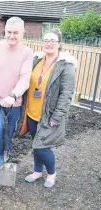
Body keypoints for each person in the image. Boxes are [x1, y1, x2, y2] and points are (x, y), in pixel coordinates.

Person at [18, 29, 76, 188]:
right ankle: (37, 171)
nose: (49, 43)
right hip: (31, 113)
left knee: (42, 147)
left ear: (59, 44)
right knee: (36, 144)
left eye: (53, 40)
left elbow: (67, 93)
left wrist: (57, 117)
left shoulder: (66, 65)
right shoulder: (36, 60)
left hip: (49, 115)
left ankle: (51, 173)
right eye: (46, 40)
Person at [0, 17, 34, 174]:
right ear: (5, 31)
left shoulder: (26, 53)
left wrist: (12, 95)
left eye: (16, 33)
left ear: (23, 33)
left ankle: (5, 154)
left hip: (13, 102)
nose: (12, 36)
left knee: (8, 132)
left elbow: (25, 79)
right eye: (9, 32)